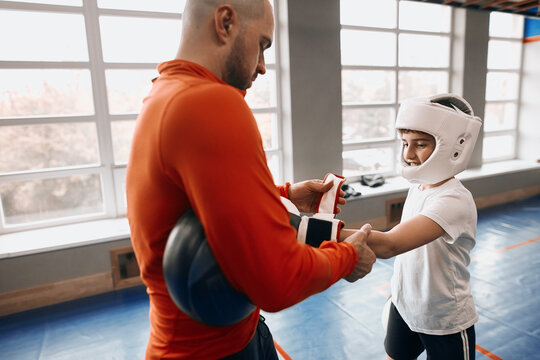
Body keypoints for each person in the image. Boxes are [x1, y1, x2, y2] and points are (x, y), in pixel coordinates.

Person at [125, 0, 376, 359]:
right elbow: (277, 280)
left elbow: (205, 205)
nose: (261, 66)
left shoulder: (164, 95)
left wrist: (284, 194)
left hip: (236, 336)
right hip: (210, 353)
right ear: (225, 22)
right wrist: (347, 257)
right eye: (262, 45)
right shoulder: (209, 103)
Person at [347, 94, 482, 359]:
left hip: (445, 319)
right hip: (404, 305)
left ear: (455, 147)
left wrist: (311, 229)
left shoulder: (453, 199)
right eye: (405, 143)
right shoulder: (419, 186)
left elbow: (390, 244)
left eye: (420, 144)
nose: (408, 154)